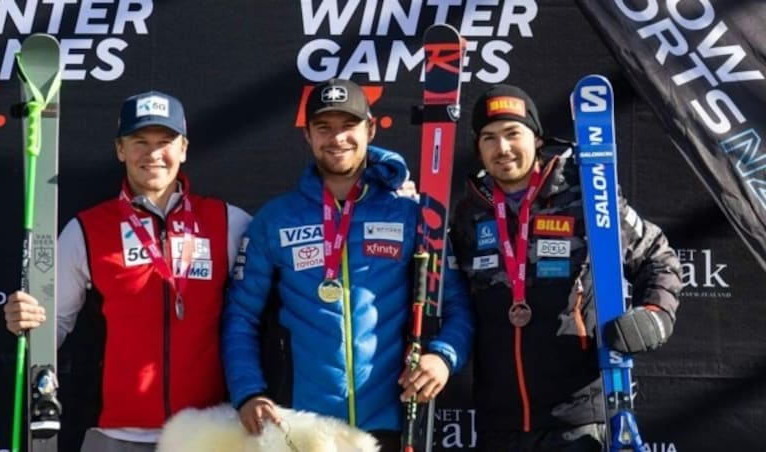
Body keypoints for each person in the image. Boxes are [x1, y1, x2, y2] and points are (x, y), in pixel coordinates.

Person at [220, 78, 473, 450]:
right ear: (307, 135)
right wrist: (248, 392)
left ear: (370, 129)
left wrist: (442, 357)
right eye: (324, 127)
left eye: (348, 126)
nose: (337, 138)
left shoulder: (411, 215)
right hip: (303, 429)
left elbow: (455, 306)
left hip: (392, 423)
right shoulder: (275, 219)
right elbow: (240, 316)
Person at [3, 90, 252, 452]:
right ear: (120, 149)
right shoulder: (87, 229)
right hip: (115, 436)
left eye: (165, 142)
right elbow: (51, 327)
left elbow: (263, 313)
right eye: (139, 142)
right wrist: (24, 321)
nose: (153, 154)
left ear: (183, 149)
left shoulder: (229, 222)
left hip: (210, 432)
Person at [448, 84, 683, 451]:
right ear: (478, 148)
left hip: (576, 420)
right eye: (489, 138)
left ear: (537, 138)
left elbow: (656, 255)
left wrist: (655, 314)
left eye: (513, 134)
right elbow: (451, 297)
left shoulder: (586, 191)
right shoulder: (469, 214)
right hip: (498, 422)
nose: (503, 148)